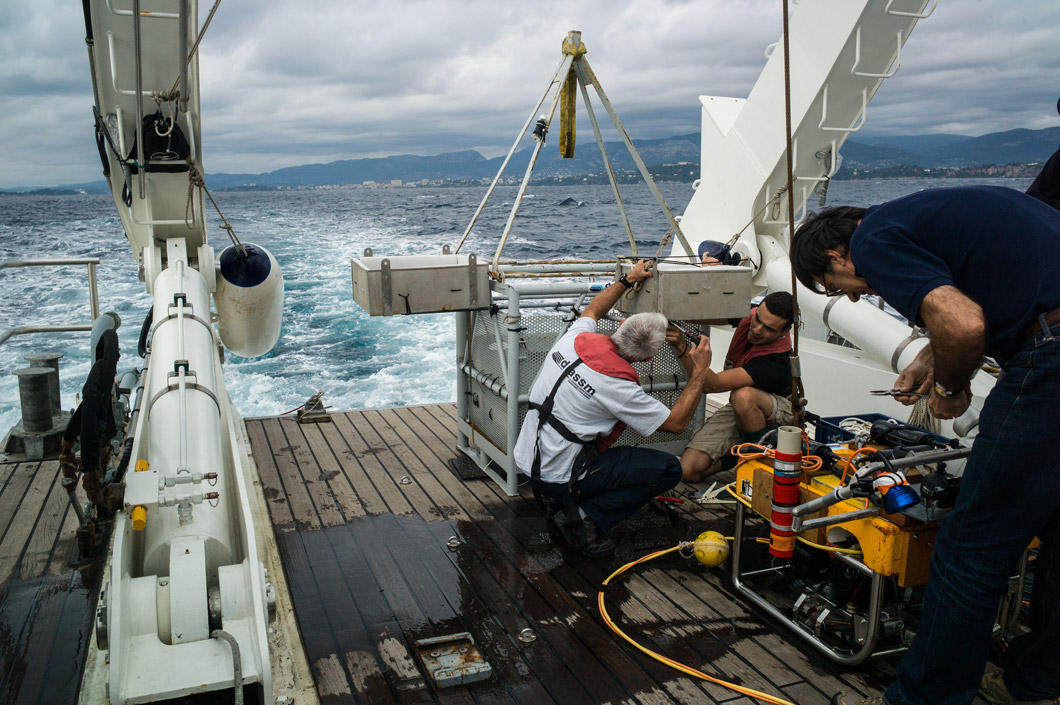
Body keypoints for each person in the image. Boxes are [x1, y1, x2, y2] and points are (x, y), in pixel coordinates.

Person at [789, 185, 1060, 705]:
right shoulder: (934, 216)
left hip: (1050, 364)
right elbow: (988, 298)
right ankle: (1040, 678)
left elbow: (963, 323)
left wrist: (951, 388)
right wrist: (932, 358)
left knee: (971, 549)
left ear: (835, 255)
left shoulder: (874, 240)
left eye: (834, 283)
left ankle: (926, 697)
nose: (849, 296)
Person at [512, 259, 712, 558]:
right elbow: (677, 423)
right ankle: (586, 520)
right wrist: (699, 372)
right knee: (669, 469)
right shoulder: (618, 386)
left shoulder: (574, 339)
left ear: (620, 327)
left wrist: (628, 280)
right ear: (646, 360)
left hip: (527, 460)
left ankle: (567, 500)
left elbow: (593, 310)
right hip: (560, 477)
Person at [667, 291, 796, 483]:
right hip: (741, 409)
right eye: (758, 319)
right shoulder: (752, 316)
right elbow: (706, 315)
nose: (757, 329)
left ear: (783, 333)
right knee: (688, 470)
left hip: (779, 411)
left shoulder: (776, 361)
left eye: (768, 328)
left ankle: (759, 465)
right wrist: (670, 314)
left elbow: (710, 385)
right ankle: (737, 459)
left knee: (743, 396)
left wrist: (682, 346)